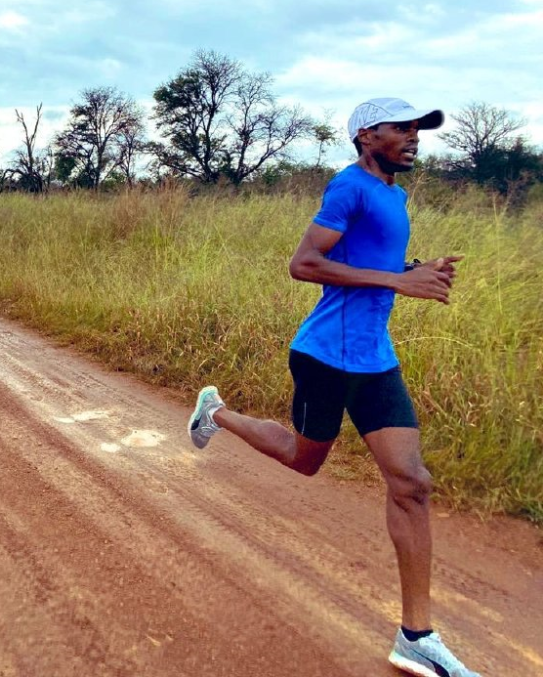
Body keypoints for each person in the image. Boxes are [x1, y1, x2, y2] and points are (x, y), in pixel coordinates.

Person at [187, 98, 480, 677]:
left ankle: (416, 636)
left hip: (375, 358)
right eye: (403, 128)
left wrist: (416, 272)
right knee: (304, 458)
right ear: (367, 135)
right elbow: (304, 264)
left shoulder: (395, 195)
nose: (414, 138)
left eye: (418, 129)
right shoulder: (348, 188)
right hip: (326, 357)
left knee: (412, 483)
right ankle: (216, 412)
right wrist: (399, 279)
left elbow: (366, 264)